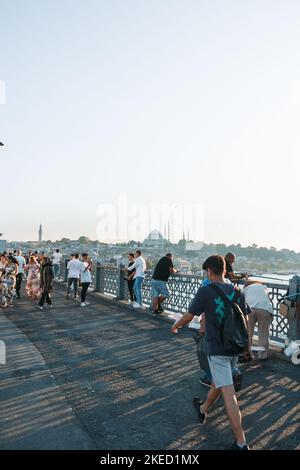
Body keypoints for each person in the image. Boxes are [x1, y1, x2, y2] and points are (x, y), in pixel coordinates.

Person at [171, 255, 251, 450]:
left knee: (229, 394)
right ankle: (203, 408)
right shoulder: (237, 290)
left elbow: (190, 316)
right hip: (234, 347)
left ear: (209, 271)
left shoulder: (206, 291)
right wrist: (247, 345)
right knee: (219, 381)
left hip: (217, 348)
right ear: (224, 269)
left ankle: (241, 443)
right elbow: (246, 320)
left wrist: (175, 325)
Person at [197, 278, 242, 390]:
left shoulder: (207, 283)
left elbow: (205, 308)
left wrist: (203, 325)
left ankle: (210, 378)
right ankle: (234, 372)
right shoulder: (230, 284)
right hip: (230, 325)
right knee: (228, 354)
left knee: (209, 354)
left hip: (213, 326)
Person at [243, 281, 274, 360]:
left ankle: (248, 353)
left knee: (248, 332)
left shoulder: (245, 288)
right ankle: (262, 355)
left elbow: (242, 300)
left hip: (250, 308)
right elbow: (268, 299)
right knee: (263, 333)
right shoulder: (263, 287)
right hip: (264, 308)